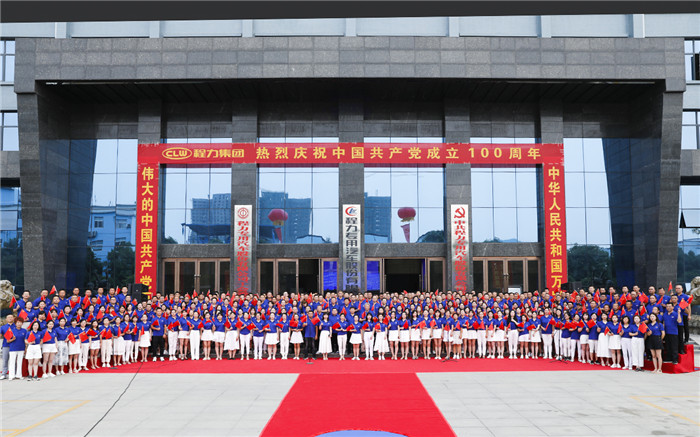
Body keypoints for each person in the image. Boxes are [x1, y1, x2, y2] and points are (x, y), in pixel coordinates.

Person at [1, 314, 15, 380]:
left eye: (11, 317)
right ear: (6, 319)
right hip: (6, 345)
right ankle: (4, 374)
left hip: (14, 346)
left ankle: (13, 373)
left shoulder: (16, 326)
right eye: (8, 317)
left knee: (14, 360)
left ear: (13, 318)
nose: (10, 318)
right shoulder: (3, 327)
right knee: (5, 360)